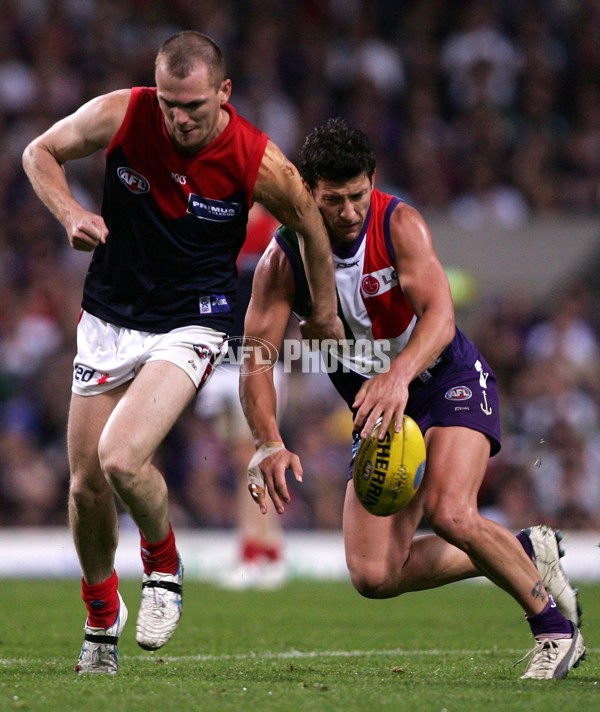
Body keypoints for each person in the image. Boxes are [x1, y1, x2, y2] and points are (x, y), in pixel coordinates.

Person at [21, 31, 342, 675]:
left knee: (120, 456)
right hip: (110, 316)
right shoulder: (125, 112)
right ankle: (101, 619)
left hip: (192, 323)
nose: (179, 118)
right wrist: (69, 212)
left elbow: (309, 223)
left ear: (224, 93)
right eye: (169, 103)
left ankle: (163, 564)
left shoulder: (257, 159)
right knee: (85, 486)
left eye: (193, 105)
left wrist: (326, 312)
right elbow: (40, 152)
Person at [239, 118, 584, 680]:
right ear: (308, 192)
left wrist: (399, 374)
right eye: (332, 200)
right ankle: (520, 548)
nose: (348, 211)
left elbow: (443, 318)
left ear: (372, 182)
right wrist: (267, 441)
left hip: (445, 380)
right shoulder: (282, 262)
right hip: (380, 412)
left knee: (451, 513)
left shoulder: (400, 224)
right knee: (374, 576)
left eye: (357, 196)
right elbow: (256, 361)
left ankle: (554, 630)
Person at [195, 203, 287, 589]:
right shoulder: (217, 226)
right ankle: (269, 550)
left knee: (249, 460)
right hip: (223, 361)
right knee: (246, 462)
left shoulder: (273, 230)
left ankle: (253, 552)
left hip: (258, 360)